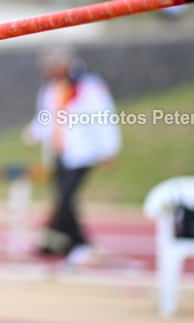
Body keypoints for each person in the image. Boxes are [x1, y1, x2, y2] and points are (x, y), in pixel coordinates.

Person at [24, 46, 121, 263]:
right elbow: (45, 117)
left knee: (66, 198)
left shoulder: (89, 86)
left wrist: (109, 149)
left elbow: (104, 117)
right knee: (61, 198)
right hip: (58, 153)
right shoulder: (50, 88)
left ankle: (80, 243)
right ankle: (55, 241)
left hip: (82, 153)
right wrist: (33, 133)